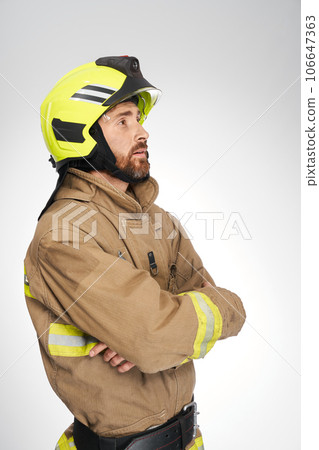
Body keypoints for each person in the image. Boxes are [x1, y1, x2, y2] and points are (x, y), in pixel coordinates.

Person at [24, 56, 246, 450]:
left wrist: (162, 337)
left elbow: (231, 310)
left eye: (139, 120)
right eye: (123, 121)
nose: (142, 132)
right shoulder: (61, 236)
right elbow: (154, 336)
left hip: (188, 439)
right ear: (78, 133)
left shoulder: (159, 221)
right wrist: (160, 336)